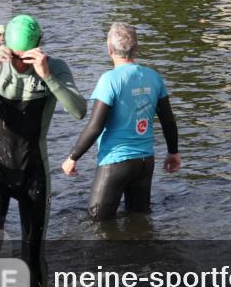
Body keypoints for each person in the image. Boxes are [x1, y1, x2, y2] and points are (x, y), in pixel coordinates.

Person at [0, 14, 86, 287]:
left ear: (39, 47)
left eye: (26, 58)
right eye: (15, 57)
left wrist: (48, 76)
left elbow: (79, 111)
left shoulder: (55, 68)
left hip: (34, 171)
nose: (20, 65)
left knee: (33, 248)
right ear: (6, 48)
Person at [62, 22, 180, 220]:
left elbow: (95, 126)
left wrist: (73, 157)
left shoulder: (109, 80)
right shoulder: (154, 77)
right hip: (145, 163)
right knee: (139, 220)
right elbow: (168, 121)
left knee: (97, 222)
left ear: (109, 49)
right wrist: (173, 153)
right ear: (136, 48)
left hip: (116, 162)